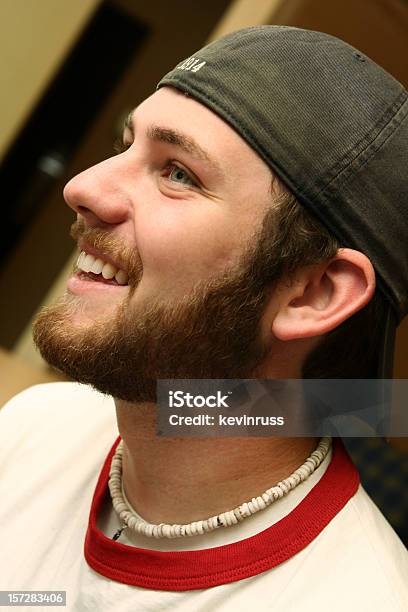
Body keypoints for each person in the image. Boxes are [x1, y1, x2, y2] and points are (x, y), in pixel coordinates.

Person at [1, 25, 407, 611]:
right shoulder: (37, 431)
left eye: (177, 173)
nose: (83, 187)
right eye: (126, 146)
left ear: (313, 293)